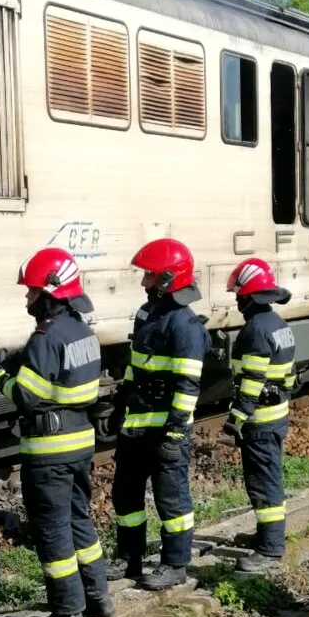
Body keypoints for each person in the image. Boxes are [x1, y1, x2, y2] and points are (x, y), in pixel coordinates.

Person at [0, 247, 115, 617]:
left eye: (32, 292)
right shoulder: (84, 333)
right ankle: (98, 597)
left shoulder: (45, 338)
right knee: (79, 520)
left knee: (53, 530)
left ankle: (67, 614)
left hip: (49, 452)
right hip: (80, 445)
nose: (27, 299)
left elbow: (26, 396)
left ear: (50, 292)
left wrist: (0, 376)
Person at [104, 238, 211, 591]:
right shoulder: (147, 315)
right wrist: (121, 405)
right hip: (136, 427)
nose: (143, 282)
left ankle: (175, 564)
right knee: (126, 495)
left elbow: (188, 386)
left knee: (171, 500)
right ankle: (129, 557)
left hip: (166, 431)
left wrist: (176, 432)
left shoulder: (185, 326)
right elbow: (136, 367)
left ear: (168, 279)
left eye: (149, 275)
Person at [220, 258, 295, 575]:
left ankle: (270, 548)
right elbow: (286, 377)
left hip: (261, 422)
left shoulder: (255, 330)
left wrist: (236, 419)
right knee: (269, 478)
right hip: (276, 416)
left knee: (263, 483)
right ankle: (267, 535)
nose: (237, 302)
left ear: (249, 296)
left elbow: (251, 384)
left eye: (239, 296)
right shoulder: (278, 324)